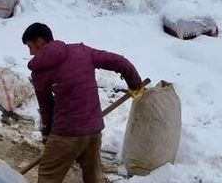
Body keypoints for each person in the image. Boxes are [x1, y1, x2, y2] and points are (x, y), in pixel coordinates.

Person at [22, 23, 144, 183]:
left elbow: (46, 107)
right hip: (93, 130)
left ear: (40, 42)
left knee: (48, 177)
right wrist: (136, 85)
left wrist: (47, 135)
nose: (31, 53)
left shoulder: (39, 70)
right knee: (94, 176)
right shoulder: (81, 51)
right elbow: (119, 62)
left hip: (66, 134)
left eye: (31, 47)